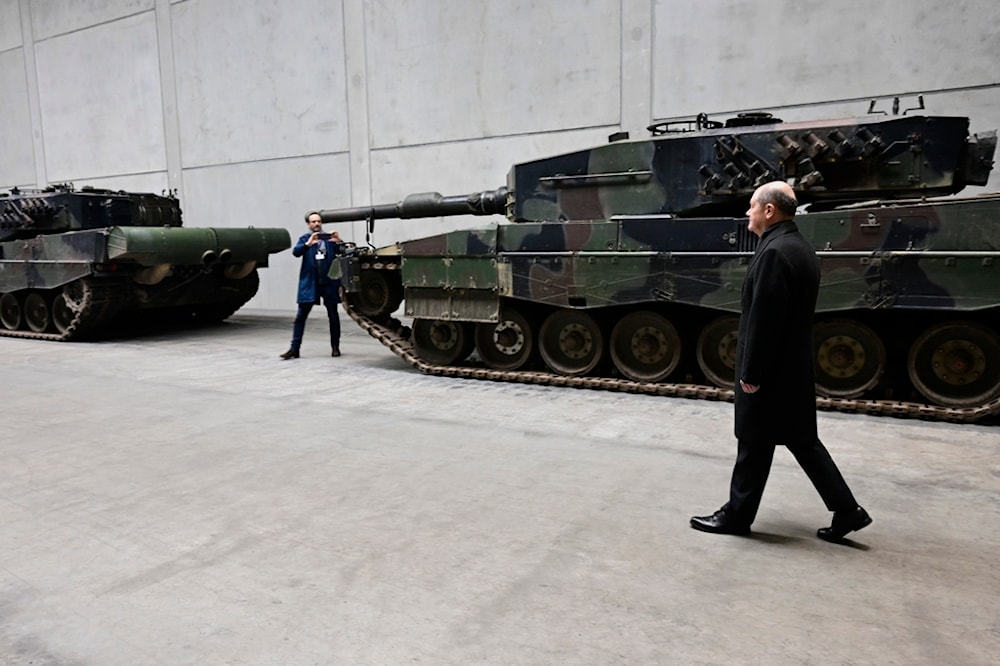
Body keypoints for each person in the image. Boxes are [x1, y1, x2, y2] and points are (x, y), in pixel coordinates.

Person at [690, 181, 872, 543]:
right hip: (793, 369)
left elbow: (765, 318)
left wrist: (752, 372)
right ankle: (848, 511)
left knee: (753, 442)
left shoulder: (774, 252)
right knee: (803, 441)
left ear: (769, 211)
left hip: (770, 372)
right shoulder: (799, 247)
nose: (747, 213)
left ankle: (737, 516)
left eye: (752, 206)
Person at [280, 211, 343, 359]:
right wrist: (308, 244)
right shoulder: (305, 239)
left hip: (329, 283)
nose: (316, 224)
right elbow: (296, 252)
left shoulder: (329, 239)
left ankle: (335, 347)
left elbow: (344, 251)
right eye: (313, 221)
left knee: (333, 316)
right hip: (310, 284)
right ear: (308, 224)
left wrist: (338, 241)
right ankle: (294, 348)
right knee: (301, 316)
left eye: (318, 221)